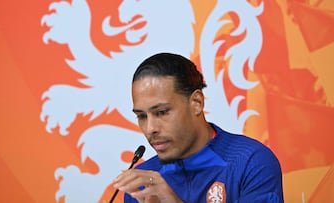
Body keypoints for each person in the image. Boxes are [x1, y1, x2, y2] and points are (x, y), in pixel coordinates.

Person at [113, 53, 284, 203]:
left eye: (162, 112)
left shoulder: (250, 162)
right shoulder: (143, 183)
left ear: (196, 103)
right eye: (141, 116)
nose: (150, 128)